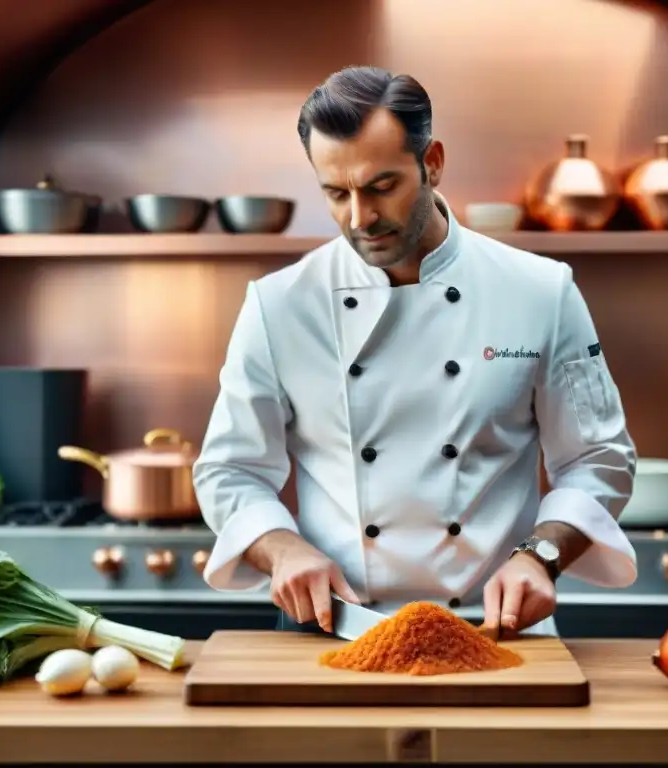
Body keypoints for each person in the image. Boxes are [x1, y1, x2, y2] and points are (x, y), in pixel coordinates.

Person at [193, 65, 637, 638]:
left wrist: (541, 556)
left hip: (497, 630)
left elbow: (596, 457)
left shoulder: (540, 292)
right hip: (333, 631)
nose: (360, 218)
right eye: (336, 193)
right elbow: (231, 469)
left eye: (382, 187)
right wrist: (280, 549)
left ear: (432, 164)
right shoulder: (279, 305)